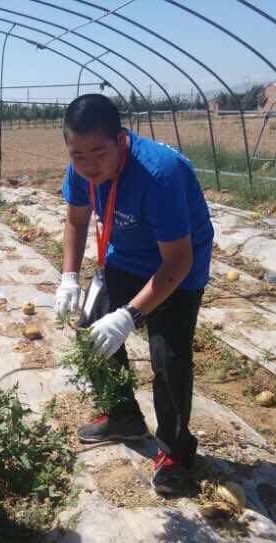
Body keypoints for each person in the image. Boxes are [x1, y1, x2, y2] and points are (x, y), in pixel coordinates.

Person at [54, 94, 213, 495]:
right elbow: (75, 220)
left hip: (178, 270)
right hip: (124, 257)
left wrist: (129, 316)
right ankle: (123, 415)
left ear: (121, 140)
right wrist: (69, 276)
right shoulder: (81, 170)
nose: (90, 166)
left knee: (168, 357)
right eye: (78, 156)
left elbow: (176, 262)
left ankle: (176, 451)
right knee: (91, 331)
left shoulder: (160, 173)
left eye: (99, 153)